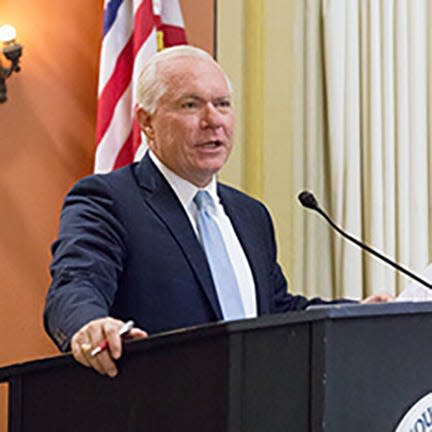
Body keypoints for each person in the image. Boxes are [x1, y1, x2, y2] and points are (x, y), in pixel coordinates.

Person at [44, 46, 390, 378]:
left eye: (222, 104)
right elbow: (76, 283)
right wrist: (89, 325)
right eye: (191, 105)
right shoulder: (108, 201)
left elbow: (274, 310)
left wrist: (354, 314)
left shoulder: (250, 214)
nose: (213, 120)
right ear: (147, 122)